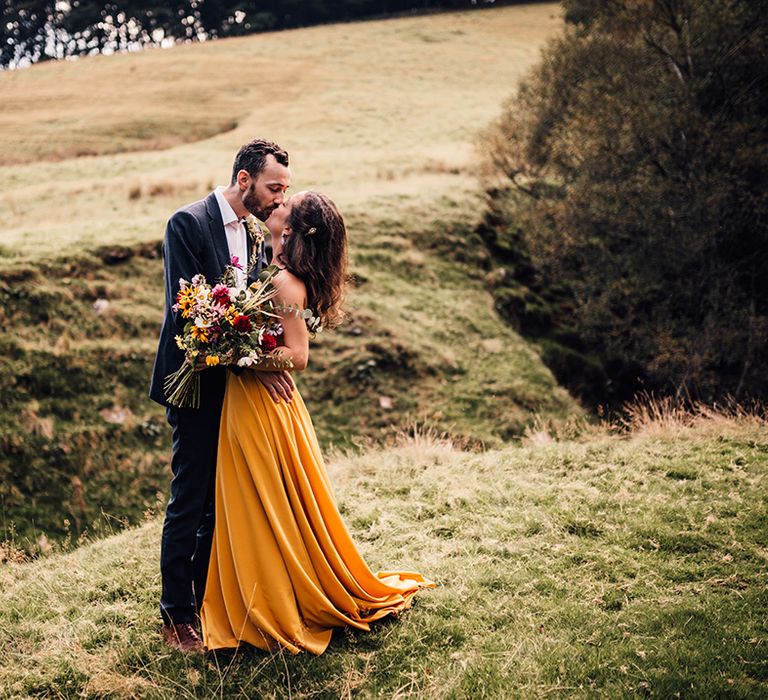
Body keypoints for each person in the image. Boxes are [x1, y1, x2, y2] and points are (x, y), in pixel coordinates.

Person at [200, 190, 434, 655]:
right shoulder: (272, 267)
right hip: (253, 402)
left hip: (261, 406)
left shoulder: (286, 283)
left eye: (288, 202)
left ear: (292, 227)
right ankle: (262, 591)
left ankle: (269, 602)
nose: (278, 202)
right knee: (261, 506)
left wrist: (232, 355)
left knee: (260, 504)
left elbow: (297, 355)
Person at [149, 139, 296, 653]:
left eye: (284, 189)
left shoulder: (257, 237)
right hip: (191, 381)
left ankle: (212, 601)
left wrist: (265, 358)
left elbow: (249, 312)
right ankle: (176, 614)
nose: (280, 199)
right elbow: (187, 312)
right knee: (190, 496)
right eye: (273, 187)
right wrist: (247, 363)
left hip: (233, 389)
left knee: (220, 499)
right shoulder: (186, 224)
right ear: (243, 180)